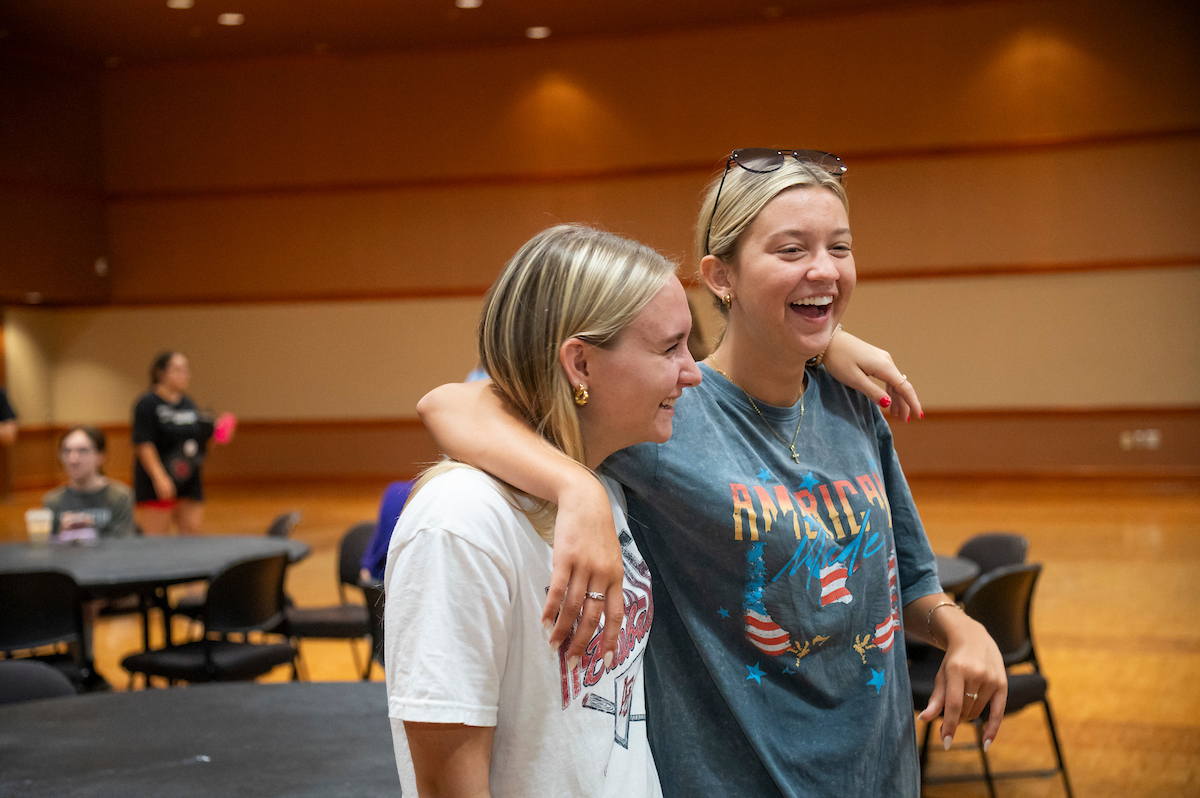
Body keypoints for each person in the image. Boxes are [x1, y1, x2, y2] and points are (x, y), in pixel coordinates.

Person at [417, 150, 1007, 796]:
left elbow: (912, 582)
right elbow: (458, 401)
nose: (825, 268)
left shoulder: (854, 406)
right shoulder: (663, 415)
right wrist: (576, 486)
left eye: (840, 247)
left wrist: (960, 627)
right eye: (791, 249)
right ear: (719, 276)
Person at [386, 224, 703, 797]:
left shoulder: (601, 488)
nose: (692, 371)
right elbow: (445, 788)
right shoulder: (459, 523)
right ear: (579, 365)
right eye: (669, 348)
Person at [132, 351, 216, 535]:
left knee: (191, 534)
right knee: (156, 539)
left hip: (188, 478)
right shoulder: (147, 403)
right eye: (177, 369)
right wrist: (159, 477)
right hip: (159, 478)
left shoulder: (188, 403)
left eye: (186, 369)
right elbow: (144, 443)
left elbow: (196, 442)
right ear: (160, 373)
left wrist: (216, 432)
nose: (184, 374)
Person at [44, 426, 135, 540]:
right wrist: (62, 534)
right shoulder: (53, 501)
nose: (73, 459)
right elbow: (49, 551)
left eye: (82, 451)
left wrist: (91, 532)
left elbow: (125, 546)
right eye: (67, 451)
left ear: (100, 456)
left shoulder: (120, 497)